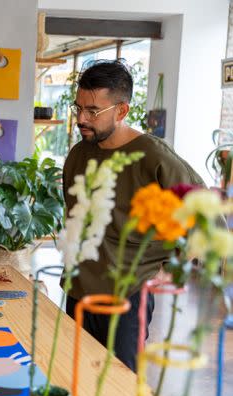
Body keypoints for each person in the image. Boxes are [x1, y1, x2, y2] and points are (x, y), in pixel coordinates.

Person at [62, 59, 205, 371]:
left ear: (121, 110)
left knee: (119, 386)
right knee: (74, 377)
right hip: (78, 291)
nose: (81, 119)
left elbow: (204, 214)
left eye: (92, 111)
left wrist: (171, 269)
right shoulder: (78, 154)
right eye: (79, 108)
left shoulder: (154, 157)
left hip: (127, 299)